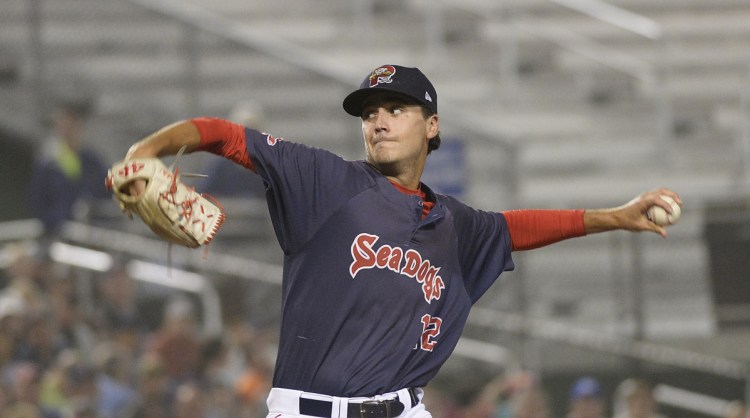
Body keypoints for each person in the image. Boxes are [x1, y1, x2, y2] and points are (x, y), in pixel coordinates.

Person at [115, 64, 682, 418]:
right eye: (369, 113)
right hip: (311, 413)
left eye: (395, 109)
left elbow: (516, 227)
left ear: (431, 126)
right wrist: (148, 150)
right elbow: (223, 134)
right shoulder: (326, 181)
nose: (378, 121)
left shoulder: (457, 225)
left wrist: (616, 216)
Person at [28, 98, 109, 238]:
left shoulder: (92, 161)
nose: (67, 131)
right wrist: (56, 223)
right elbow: (37, 203)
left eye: (71, 126)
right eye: (63, 126)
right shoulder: (47, 164)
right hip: (57, 233)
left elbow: (107, 192)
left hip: (89, 235)